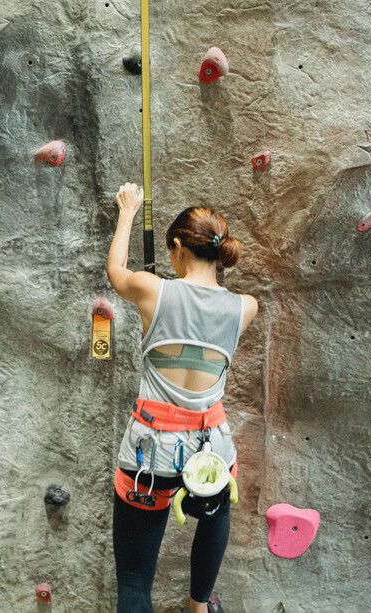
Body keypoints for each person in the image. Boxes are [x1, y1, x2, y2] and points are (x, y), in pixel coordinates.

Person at [107, 183, 258, 613]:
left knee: (135, 582)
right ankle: (197, 606)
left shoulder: (152, 291)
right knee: (217, 510)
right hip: (210, 452)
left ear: (177, 247)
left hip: (149, 456)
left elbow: (115, 270)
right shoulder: (244, 307)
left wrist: (128, 211)